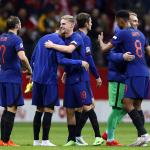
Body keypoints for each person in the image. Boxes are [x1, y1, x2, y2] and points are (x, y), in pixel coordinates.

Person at [45, 15, 99, 146]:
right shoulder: (63, 39)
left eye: (63, 23)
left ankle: (97, 136)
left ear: (72, 25)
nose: (61, 25)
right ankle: (72, 138)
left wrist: (53, 45)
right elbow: (62, 60)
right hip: (70, 77)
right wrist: (66, 71)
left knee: (87, 105)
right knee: (70, 109)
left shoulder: (78, 37)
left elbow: (74, 52)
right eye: (60, 23)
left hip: (80, 77)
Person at [98, 10, 150, 146]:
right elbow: (148, 51)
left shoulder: (122, 33)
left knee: (126, 103)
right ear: (129, 20)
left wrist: (100, 42)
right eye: (133, 19)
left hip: (133, 73)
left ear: (120, 20)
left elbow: (105, 50)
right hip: (145, 72)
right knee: (137, 105)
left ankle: (144, 134)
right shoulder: (141, 35)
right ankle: (141, 138)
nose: (136, 22)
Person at [31, 29, 89, 146]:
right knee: (49, 109)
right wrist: (80, 62)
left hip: (37, 79)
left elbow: (32, 58)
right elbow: (61, 60)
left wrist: (35, 73)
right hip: (49, 79)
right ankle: (45, 140)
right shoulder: (59, 42)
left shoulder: (42, 38)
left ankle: (36, 141)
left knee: (39, 109)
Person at [0, 16, 32, 146]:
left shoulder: (1, 37)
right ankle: (6, 140)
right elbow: (22, 57)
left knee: (7, 109)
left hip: (2, 76)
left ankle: (3, 140)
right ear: (18, 25)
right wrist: (29, 69)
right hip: (12, 79)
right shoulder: (16, 39)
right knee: (12, 109)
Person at [74, 12, 104, 146]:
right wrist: (97, 76)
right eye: (90, 21)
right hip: (82, 76)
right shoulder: (84, 38)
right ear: (86, 23)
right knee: (88, 106)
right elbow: (89, 59)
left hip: (77, 75)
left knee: (88, 105)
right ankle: (97, 136)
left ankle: (77, 135)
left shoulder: (74, 36)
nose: (92, 24)